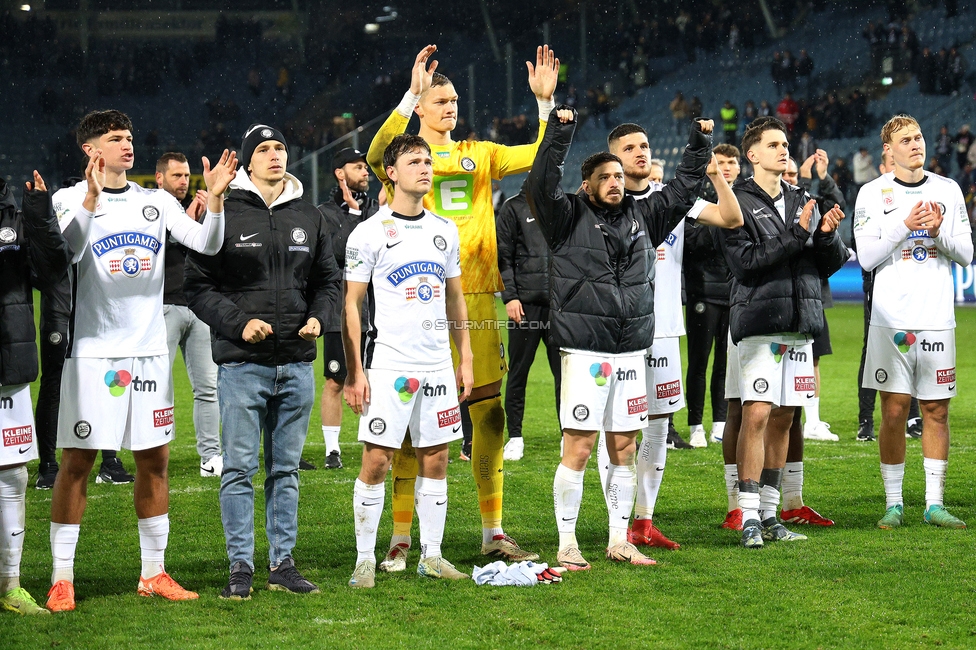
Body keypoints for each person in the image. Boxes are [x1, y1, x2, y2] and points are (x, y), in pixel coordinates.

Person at [365, 44, 557, 568]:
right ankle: (401, 538)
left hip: (474, 297)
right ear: (422, 108)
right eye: (440, 100)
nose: (450, 107)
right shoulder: (403, 158)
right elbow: (374, 151)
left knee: (488, 413)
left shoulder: (480, 152)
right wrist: (409, 93)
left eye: (453, 100)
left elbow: (539, 156)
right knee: (411, 423)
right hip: (416, 301)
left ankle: (492, 531)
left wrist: (544, 104)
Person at [46, 109, 233, 612]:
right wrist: (89, 202)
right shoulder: (67, 200)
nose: (128, 145)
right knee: (77, 462)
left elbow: (206, 245)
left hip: (150, 354)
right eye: (116, 139)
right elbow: (65, 254)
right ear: (92, 151)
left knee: (155, 461)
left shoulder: (156, 202)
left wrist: (213, 201)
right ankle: (61, 578)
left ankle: (154, 572)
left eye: (129, 137)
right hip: (93, 354)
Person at [527, 106, 711, 570]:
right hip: (585, 350)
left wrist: (698, 145)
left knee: (624, 448)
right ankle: (567, 541)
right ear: (587, 184)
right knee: (581, 446)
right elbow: (540, 183)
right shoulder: (565, 216)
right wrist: (561, 131)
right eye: (605, 175)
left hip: (632, 350)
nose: (614, 181)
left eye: (617, 176)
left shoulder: (645, 216)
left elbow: (686, 188)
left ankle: (618, 538)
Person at [184, 123, 340, 600]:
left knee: (285, 470)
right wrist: (237, 323)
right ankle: (240, 566)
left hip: (295, 362)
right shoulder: (222, 213)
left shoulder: (310, 216)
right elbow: (197, 286)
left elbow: (329, 282)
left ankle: (282, 563)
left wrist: (318, 317)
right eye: (265, 149)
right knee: (238, 469)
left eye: (281, 148)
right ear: (248, 162)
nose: (275, 155)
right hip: (241, 365)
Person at [595, 123, 742, 552]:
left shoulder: (672, 200)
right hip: (618, 332)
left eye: (644, 145)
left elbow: (731, 218)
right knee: (615, 428)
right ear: (613, 158)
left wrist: (715, 174)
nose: (639, 153)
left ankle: (644, 521)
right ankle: (616, 523)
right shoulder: (604, 204)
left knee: (658, 427)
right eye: (629, 148)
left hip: (663, 328)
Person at [344, 134, 473, 588]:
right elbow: (352, 306)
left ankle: (431, 556)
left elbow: (455, 298)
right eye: (414, 161)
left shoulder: (444, 229)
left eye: (427, 160)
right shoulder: (369, 232)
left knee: (436, 458)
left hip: (437, 364)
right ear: (392, 173)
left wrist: (466, 357)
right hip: (389, 366)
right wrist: (354, 370)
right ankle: (364, 559)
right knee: (377, 460)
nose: (425, 167)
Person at [722, 116, 848, 549]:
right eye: (774, 144)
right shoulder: (736, 202)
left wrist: (827, 237)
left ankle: (772, 514)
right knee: (756, 413)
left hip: (800, 324)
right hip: (759, 322)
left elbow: (827, 263)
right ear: (752, 154)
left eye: (786, 144)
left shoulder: (801, 198)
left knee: (784, 417)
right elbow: (745, 263)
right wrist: (796, 236)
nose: (783, 150)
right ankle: (748, 514)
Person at [854, 114, 973, 530]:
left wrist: (938, 231)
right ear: (888, 149)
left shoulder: (948, 190)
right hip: (892, 320)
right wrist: (905, 226)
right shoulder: (873, 193)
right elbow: (867, 258)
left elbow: (966, 253)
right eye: (905, 140)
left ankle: (934, 503)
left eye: (919, 137)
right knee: (894, 411)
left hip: (937, 318)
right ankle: (894, 503)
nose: (915, 144)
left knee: (937, 411)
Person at [35, 177, 136, 490]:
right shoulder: (58, 221)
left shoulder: (101, 225)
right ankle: (48, 465)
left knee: (108, 384)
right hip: (61, 312)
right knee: (55, 384)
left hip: (94, 316)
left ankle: (109, 460)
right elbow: (43, 267)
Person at [0, 170, 66, 616]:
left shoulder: (15, 215)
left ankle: (10, 584)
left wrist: (41, 217)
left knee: (12, 475)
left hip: (8, 361)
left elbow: (51, 272)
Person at [312, 147, 380, 471]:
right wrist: (353, 217)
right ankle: (332, 450)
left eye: (366, 167)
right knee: (336, 380)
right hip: (343, 312)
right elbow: (335, 256)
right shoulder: (323, 214)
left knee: (375, 378)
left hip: (379, 314)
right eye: (357, 167)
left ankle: (376, 440)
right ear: (340, 173)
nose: (365, 172)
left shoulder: (378, 209)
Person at [156, 152, 222, 478]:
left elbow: (212, 249)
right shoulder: (150, 211)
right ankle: (156, 454)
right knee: (158, 387)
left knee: (208, 387)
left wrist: (208, 217)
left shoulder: (195, 211)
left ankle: (211, 457)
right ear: (160, 179)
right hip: (164, 306)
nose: (183, 181)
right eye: (176, 176)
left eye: (186, 176)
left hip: (197, 308)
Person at [496, 188, 560, 462]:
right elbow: (503, 256)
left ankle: (568, 436)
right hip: (525, 306)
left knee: (566, 376)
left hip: (559, 307)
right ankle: (515, 437)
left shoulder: (559, 204)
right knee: (518, 372)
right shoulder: (513, 208)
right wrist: (510, 297)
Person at [684, 144, 740, 449]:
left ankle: (720, 422)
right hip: (703, 292)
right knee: (698, 362)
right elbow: (691, 243)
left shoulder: (744, 200)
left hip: (733, 294)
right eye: (721, 162)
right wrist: (720, 221)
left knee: (726, 364)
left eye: (732, 162)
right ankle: (695, 425)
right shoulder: (697, 202)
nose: (727, 167)